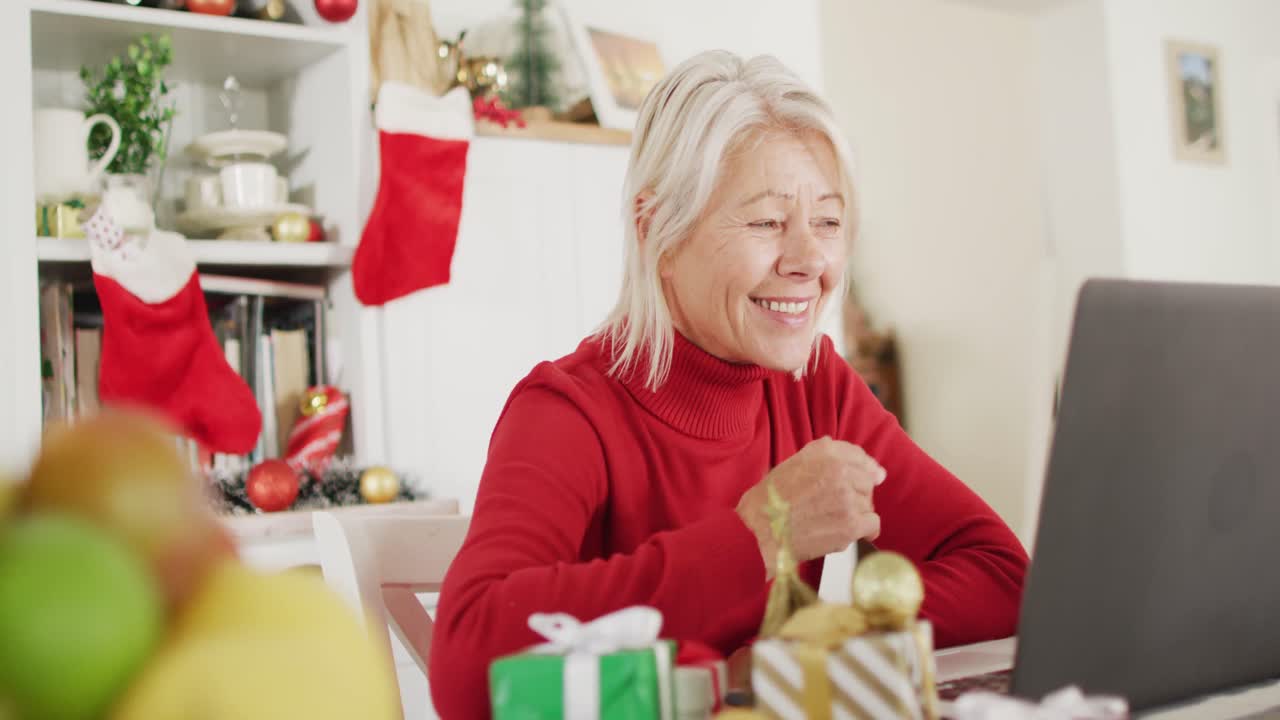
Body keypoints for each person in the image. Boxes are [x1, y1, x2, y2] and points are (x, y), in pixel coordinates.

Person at [428, 49, 1027, 717]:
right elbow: (464, 667)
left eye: (827, 222)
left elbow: (1002, 572)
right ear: (656, 231)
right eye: (767, 222)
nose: (810, 261)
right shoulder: (567, 412)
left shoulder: (816, 386)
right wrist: (763, 537)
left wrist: (809, 645)